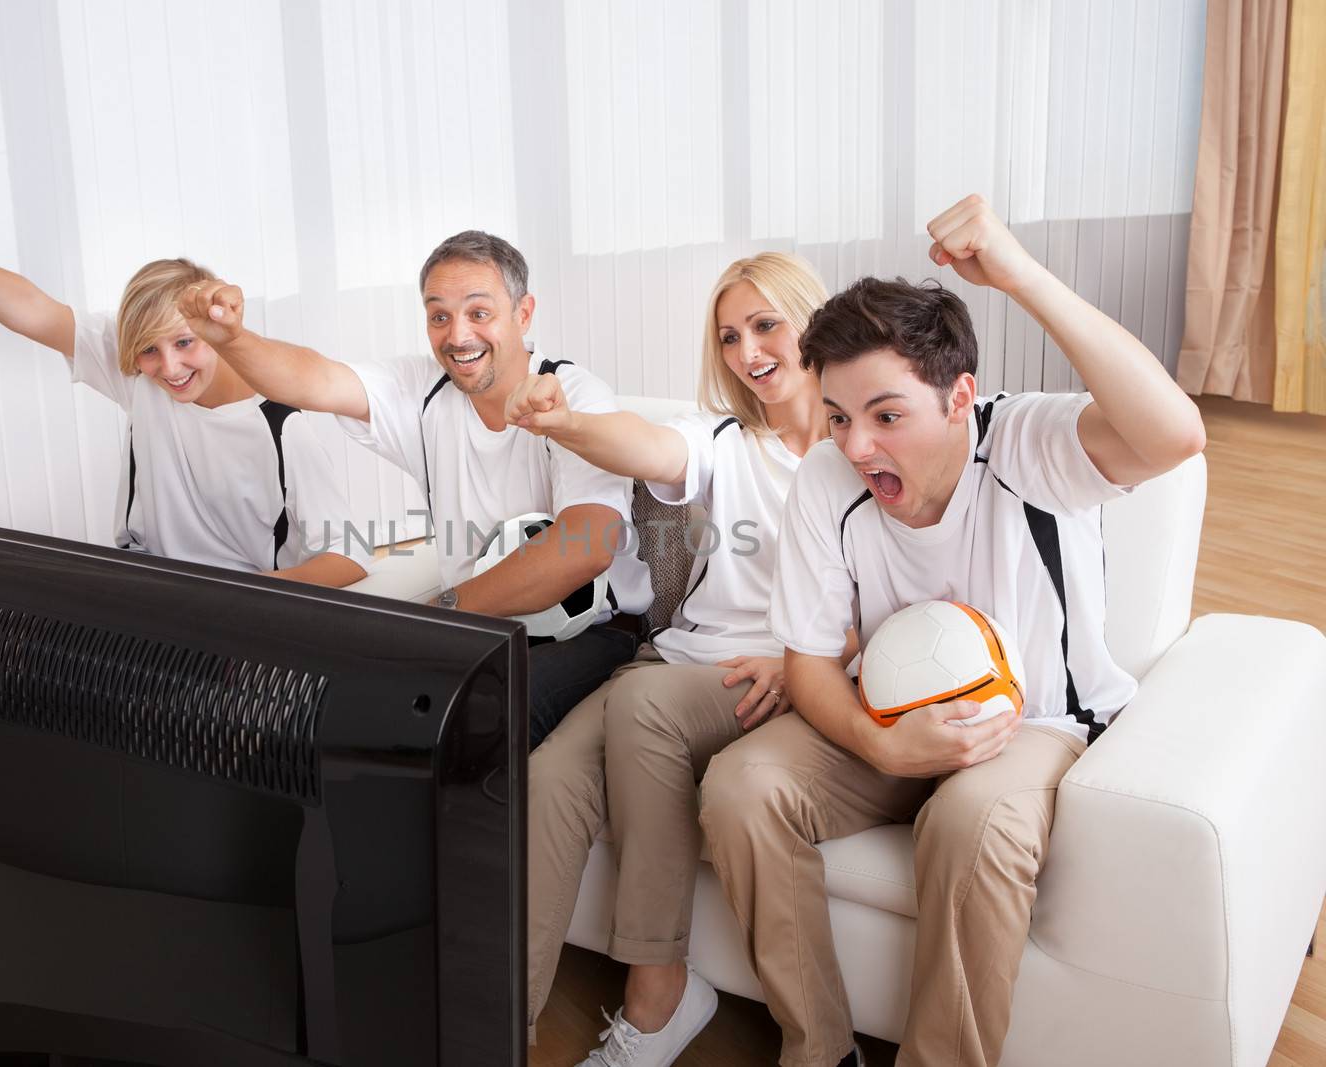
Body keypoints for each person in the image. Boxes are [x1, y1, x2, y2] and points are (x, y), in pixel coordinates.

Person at [698, 194, 1207, 1067]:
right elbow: (811, 662)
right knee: (741, 786)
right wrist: (875, 741)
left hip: (1035, 726)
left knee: (969, 822)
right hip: (885, 722)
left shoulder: (1025, 443)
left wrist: (1015, 271)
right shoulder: (827, 478)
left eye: (887, 415)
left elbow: (1175, 433)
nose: (858, 446)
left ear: (960, 397)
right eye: (839, 416)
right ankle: (816, 1049)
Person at [509, 253, 843, 1067]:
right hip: (685, 659)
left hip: (773, 676)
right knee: (550, 778)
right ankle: (493, 1022)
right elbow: (650, 448)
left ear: (815, 323)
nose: (746, 351)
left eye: (766, 325)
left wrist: (808, 664)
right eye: (729, 336)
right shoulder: (725, 440)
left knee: (640, 706)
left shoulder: (861, 443)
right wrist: (567, 423)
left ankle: (656, 993)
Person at [174, 231, 653, 745]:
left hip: (592, 634)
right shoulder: (422, 390)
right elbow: (315, 381)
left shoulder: (573, 396)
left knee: (475, 720)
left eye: (479, 312)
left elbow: (585, 547)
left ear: (523, 312)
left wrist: (441, 612)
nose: (457, 335)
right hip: (479, 630)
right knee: (336, 703)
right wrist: (232, 340)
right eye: (439, 316)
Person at [0, 166, 366, 586]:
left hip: (237, 613)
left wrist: (246, 597)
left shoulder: (283, 425)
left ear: (214, 328)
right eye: (149, 350)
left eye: (184, 343)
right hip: (143, 592)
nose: (169, 368)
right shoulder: (139, 376)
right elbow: (28, 308)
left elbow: (351, 555)